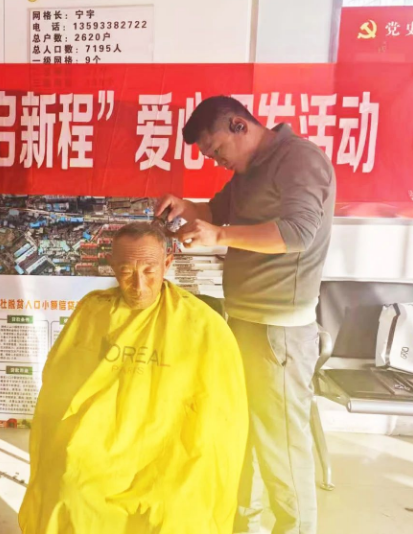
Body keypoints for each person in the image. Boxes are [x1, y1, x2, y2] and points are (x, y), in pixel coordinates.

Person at [155, 96, 336, 534]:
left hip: (279, 331)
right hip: (245, 322)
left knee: (283, 449)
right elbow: (217, 213)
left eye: (217, 149)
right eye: (209, 156)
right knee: (246, 437)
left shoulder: (299, 160)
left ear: (239, 125)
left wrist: (219, 235)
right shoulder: (248, 171)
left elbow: (298, 233)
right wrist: (186, 208)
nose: (216, 161)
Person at [18, 222, 248, 534]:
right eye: (127, 271)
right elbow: (61, 384)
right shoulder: (93, 311)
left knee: (177, 508)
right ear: (112, 265)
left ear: (167, 263)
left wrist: (197, 455)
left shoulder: (203, 325)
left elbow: (223, 412)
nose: (139, 285)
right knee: (69, 488)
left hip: (170, 447)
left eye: (149, 271)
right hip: (100, 442)